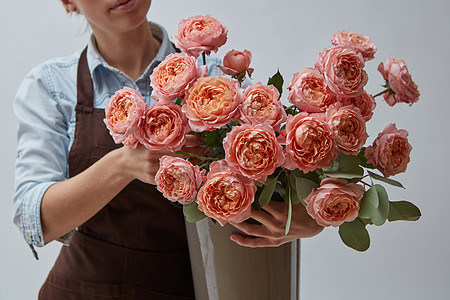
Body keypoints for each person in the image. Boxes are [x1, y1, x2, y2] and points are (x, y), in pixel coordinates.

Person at [13, 0, 323, 299]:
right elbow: (36, 221)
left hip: (190, 289)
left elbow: (284, 172)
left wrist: (310, 217)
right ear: (69, 2)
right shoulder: (53, 86)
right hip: (81, 292)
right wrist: (123, 164)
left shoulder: (219, 79)